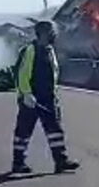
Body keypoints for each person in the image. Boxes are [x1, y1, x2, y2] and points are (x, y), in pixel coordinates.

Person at [10, 20, 80, 174]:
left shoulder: (49, 50)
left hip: (48, 98)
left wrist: (54, 94)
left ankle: (61, 161)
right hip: (32, 99)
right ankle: (18, 163)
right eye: (51, 31)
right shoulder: (30, 50)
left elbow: (53, 73)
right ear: (43, 33)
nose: (54, 34)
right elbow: (22, 74)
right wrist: (26, 94)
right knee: (23, 132)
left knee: (55, 130)